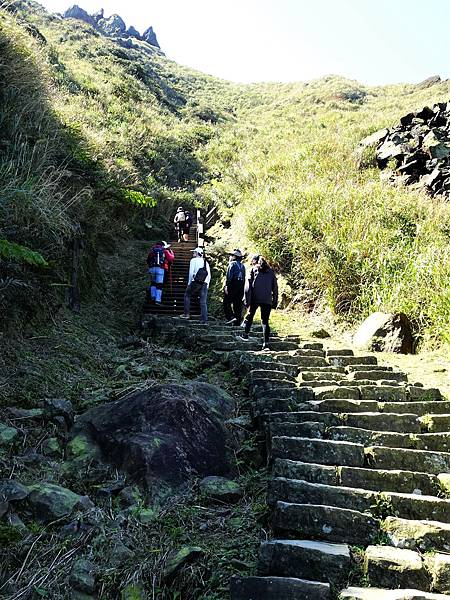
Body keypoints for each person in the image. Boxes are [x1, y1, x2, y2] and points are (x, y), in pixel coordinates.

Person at [238, 256, 278, 350]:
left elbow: (248, 286)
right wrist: (274, 301)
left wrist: (247, 301)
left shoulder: (253, 270)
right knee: (265, 321)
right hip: (267, 299)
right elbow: (275, 287)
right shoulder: (271, 272)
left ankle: (245, 335)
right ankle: (266, 344)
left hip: (255, 298)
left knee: (250, 316)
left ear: (257, 262)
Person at [181, 247, 211, 323]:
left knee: (187, 295)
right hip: (204, 283)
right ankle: (204, 318)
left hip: (195, 282)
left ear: (197, 253)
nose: (193, 253)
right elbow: (209, 275)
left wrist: (189, 283)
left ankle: (186, 314)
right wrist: (207, 284)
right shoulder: (205, 262)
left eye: (194, 252)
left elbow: (191, 273)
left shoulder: (193, 260)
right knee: (203, 301)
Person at [223, 249, 246, 325]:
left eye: (232, 255)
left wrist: (226, 285)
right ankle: (237, 321)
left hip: (233, 283)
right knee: (237, 303)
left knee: (226, 301)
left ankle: (231, 317)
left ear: (235, 257)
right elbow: (244, 277)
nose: (231, 256)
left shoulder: (232, 264)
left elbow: (229, 276)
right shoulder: (243, 266)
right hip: (241, 284)